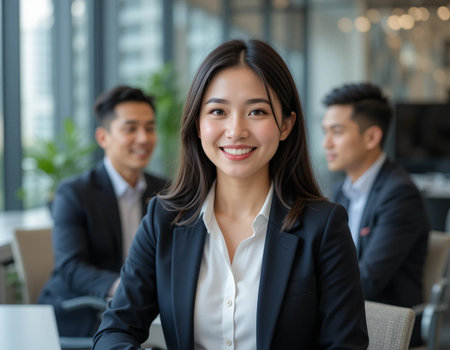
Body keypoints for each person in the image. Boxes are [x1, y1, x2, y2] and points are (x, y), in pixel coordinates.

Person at [92, 40, 368, 350]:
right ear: (198, 123)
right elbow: (114, 332)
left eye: (257, 111)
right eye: (218, 111)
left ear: (286, 125)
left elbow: (346, 345)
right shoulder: (164, 219)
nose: (236, 130)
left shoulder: (323, 226)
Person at [38, 85, 169, 337]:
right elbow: (71, 268)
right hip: (80, 316)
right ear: (103, 137)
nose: (143, 138)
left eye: (149, 128)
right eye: (130, 128)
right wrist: (128, 287)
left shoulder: (165, 191)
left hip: (145, 314)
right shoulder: (74, 193)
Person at [321, 82, 429, 346]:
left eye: (337, 132)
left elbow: (368, 280)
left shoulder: (400, 194)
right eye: (325, 132)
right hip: (349, 315)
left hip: (385, 324)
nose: (327, 143)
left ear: (371, 137)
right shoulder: (341, 191)